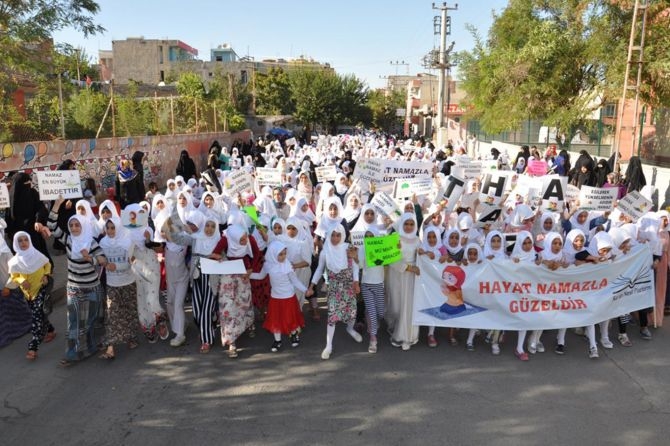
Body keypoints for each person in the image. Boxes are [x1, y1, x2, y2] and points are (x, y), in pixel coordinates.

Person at [47, 205, 104, 366]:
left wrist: (90, 259)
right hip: (74, 287)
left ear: (84, 226)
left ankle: (91, 347)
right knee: (74, 321)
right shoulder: (69, 240)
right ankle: (71, 353)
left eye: (77, 225)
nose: (73, 228)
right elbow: (51, 226)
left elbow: (103, 260)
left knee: (89, 321)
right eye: (71, 225)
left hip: (92, 287)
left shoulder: (91, 243)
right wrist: (57, 204)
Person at [165, 212, 222, 353]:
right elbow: (177, 239)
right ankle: (209, 323)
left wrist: (218, 257)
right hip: (196, 278)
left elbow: (224, 258)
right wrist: (171, 226)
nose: (209, 229)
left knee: (206, 310)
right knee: (197, 311)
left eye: (212, 226)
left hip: (211, 279)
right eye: (207, 225)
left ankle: (206, 340)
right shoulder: (196, 238)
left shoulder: (219, 241)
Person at [306, 224, 362, 359]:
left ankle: (350, 329)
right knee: (332, 316)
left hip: (349, 287)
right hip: (334, 288)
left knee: (351, 313)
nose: (335, 238)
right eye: (332, 235)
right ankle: (329, 345)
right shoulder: (325, 252)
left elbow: (355, 266)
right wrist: (312, 286)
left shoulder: (349, 248)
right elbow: (319, 270)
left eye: (338, 235)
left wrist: (356, 282)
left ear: (342, 235)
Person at [3, 232, 56, 360]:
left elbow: (47, 264)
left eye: (25, 240)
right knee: (39, 313)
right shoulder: (14, 262)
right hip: (28, 295)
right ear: (16, 243)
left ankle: (33, 347)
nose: (23, 243)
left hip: (41, 290)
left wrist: (45, 275)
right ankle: (50, 330)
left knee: (36, 317)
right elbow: (14, 275)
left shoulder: (37, 255)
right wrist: (21, 280)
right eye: (20, 241)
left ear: (30, 241)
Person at [250, 240, 306, 352]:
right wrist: (248, 275)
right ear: (272, 253)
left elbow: (294, 281)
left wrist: (305, 289)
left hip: (289, 296)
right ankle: (277, 340)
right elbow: (261, 276)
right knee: (276, 319)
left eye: (285, 253)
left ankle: (294, 334)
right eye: (280, 254)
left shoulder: (288, 265)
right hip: (275, 297)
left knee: (290, 318)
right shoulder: (268, 265)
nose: (283, 256)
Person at [211, 224, 257, 358]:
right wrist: (220, 259)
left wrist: (250, 270)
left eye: (244, 238)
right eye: (241, 240)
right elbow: (214, 254)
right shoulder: (226, 239)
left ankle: (248, 324)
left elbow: (256, 255)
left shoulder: (249, 239)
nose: (244, 242)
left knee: (244, 304)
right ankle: (232, 342)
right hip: (228, 277)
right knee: (228, 308)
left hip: (243, 276)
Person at [97, 217, 139, 360]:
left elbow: (130, 263)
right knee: (112, 314)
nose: (109, 231)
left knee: (129, 312)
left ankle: (131, 337)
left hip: (128, 282)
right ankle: (110, 347)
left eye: (113, 228)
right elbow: (99, 257)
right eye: (107, 228)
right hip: (112, 283)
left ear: (119, 228)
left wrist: (116, 266)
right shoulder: (102, 243)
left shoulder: (127, 243)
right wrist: (101, 261)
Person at [386, 213, 421, 351]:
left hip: (412, 278)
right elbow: (390, 259)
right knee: (396, 306)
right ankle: (393, 326)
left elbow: (422, 257)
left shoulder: (418, 240)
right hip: (397, 274)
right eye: (406, 223)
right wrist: (407, 267)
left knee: (408, 307)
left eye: (411, 224)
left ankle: (406, 337)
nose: (408, 227)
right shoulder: (395, 238)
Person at [5, 172, 52, 265]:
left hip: (32, 229)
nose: (28, 184)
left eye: (29, 182)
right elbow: (8, 215)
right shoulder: (11, 196)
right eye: (25, 183)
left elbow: (40, 208)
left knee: (38, 253)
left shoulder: (33, 193)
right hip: (17, 231)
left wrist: (38, 221)